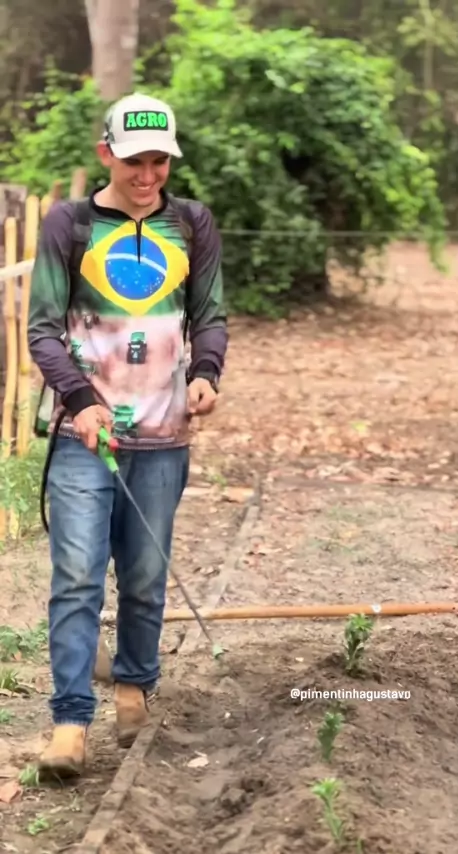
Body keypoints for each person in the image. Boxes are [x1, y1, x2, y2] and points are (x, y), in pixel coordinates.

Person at [27, 92, 228, 778]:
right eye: (134, 161)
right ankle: (69, 723)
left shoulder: (191, 223)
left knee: (144, 578)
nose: (147, 175)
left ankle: (134, 685)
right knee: (77, 577)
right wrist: (80, 400)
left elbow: (210, 316)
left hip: (165, 435)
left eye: (159, 162)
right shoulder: (70, 224)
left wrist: (205, 374)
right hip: (86, 435)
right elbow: (42, 331)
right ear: (105, 154)